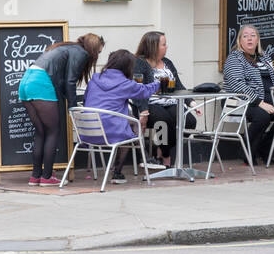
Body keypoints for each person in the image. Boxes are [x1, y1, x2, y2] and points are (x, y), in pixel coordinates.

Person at [18, 33, 104, 186]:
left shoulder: (66, 47)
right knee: (53, 131)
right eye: (98, 52)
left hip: (26, 80)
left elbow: (62, 81)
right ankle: (46, 177)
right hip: (40, 81)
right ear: (92, 48)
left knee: (41, 132)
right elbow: (70, 81)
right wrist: (73, 106)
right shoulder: (82, 53)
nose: (97, 55)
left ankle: (35, 176)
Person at [81, 49, 160, 182]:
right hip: (109, 133)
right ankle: (118, 172)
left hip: (87, 131)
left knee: (128, 124)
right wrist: (158, 82)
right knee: (133, 127)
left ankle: (137, 161)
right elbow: (144, 91)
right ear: (127, 67)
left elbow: (85, 100)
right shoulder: (125, 84)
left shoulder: (94, 79)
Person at [132, 30, 195, 166]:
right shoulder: (140, 63)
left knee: (189, 121)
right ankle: (165, 156)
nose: (167, 47)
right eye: (164, 44)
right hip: (150, 104)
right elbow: (137, 90)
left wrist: (191, 102)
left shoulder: (167, 62)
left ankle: (162, 148)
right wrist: (143, 111)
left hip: (171, 101)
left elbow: (178, 85)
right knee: (164, 122)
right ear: (153, 46)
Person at [222, 24, 274, 165]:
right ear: (240, 41)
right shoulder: (234, 58)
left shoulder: (265, 57)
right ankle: (246, 149)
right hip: (240, 100)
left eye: (253, 36)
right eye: (245, 36)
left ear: (258, 40)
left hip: (267, 99)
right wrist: (260, 102)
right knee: (263, 116)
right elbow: (237, 85)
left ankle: (265, 150)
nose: (249, 39)